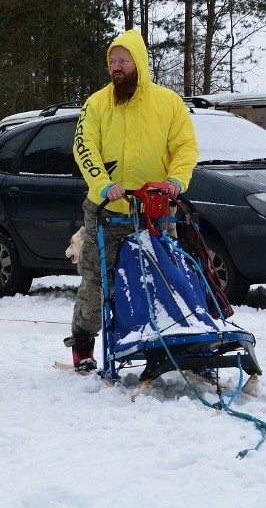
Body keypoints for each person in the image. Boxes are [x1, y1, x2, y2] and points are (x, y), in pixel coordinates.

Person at [66, 30, 199, 372]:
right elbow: (84, 147)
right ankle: (83, 344)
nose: (117, 67)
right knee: (98, 280)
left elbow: (185, 147)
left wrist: (175, 181)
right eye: (112, 61)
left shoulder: (168, 103)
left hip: (154, 210)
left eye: (123, 61)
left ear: (139, 63)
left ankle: (164, 337)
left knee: (161, 275)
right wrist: (102, 184)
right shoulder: (96, 103)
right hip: (106, 210)